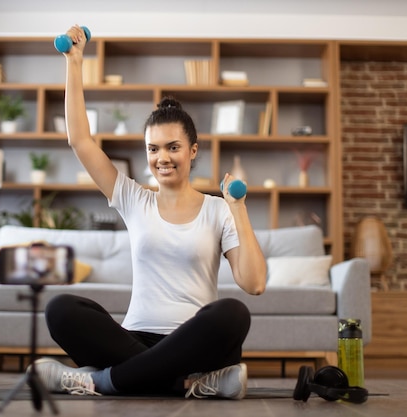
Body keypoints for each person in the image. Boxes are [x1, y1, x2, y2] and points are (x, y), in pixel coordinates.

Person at [34, 24, 267, 399]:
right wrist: (74, 62)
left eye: (173, 147)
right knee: (61, 309)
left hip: (195, 341)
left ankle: (100, 381)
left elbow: (254, 284)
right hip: (134, 337)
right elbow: (80, 140)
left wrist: (238, 209)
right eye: (153, 149)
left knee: (233, 314)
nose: (162, 158)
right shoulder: (132, 197)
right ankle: (188, 384)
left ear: (192, 150)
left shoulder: (219, 209)